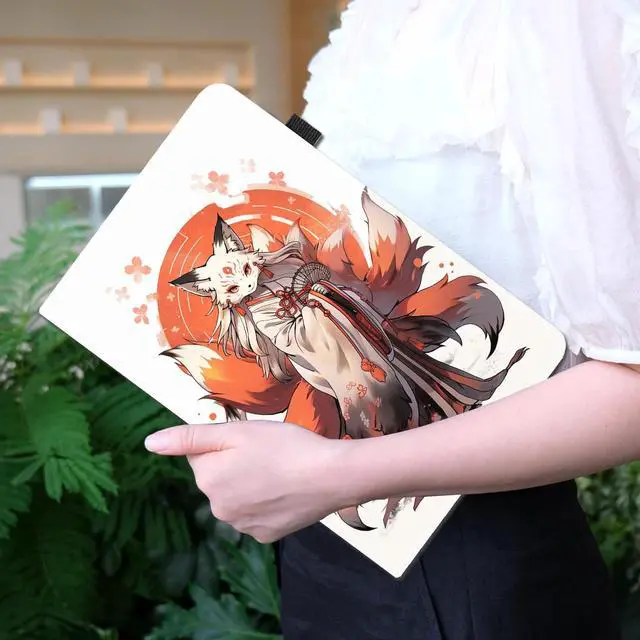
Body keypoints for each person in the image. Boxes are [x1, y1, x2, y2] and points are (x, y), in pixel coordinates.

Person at [144, 2, 640, 638]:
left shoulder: (556, 18)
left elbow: (632, 379)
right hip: (328, 538)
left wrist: (334, 474)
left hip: (463, 561)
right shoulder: (372, 16)